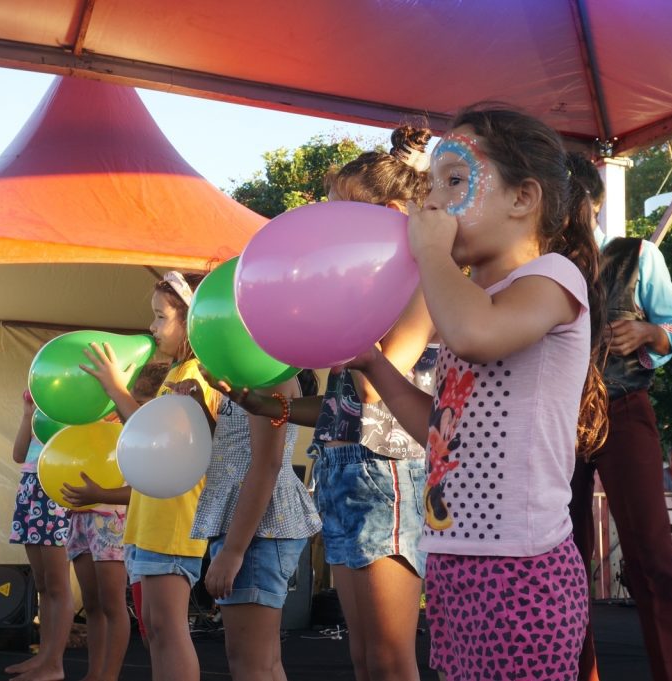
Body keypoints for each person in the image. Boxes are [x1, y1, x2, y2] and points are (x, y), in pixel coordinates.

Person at [335, 104, 609, 680]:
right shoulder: (470, 305)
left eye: (455, 181)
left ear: (522, 199)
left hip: (523, 569)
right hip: (456, 562)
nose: (431, 202)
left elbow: (475, 335)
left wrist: (432, 254)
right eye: (431, 185)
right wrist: (374, 364)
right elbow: (441, 429)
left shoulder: (553, 278)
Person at [227, 125, 436, 681]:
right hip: (341, 472)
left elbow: (377, 385)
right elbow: (345, 407)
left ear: (391, 213)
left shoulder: (422, 284)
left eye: (342, 207)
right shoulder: (362, 292)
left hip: (387, 474)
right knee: (362, 657)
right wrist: (268, 406)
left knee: (391, 659)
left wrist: (342, 338)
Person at [566, 151, 672, 681]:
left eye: (575, 208)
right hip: (556, 419)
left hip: (625, 410)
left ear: (593, 206)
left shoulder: (637, 255)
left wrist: (650, 334)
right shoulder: (535, 267)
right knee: (563, 560)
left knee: (652, 553)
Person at [81, 271, 221, 681]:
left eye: (161, 317)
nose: (152, 327)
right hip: (150, 520)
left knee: (167, 628)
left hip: (173, 520)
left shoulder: (196, 373)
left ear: (189, 323)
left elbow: (162, 437)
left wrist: (115, 389)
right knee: (154, 630)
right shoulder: (174, 375)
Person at [172, 368, 322, 680]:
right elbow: (231, 443)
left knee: (248, 664)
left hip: (258, 527)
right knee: (264, 662)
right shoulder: (247, 372)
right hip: (250, 525)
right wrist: (200, 405)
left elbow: (267, 463)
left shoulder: (267, 375)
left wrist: (233, 551)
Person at [58, 363, 168, 681]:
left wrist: (100, 492)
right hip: (83, 515)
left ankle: (109, 675)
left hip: (112, 518)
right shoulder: (104, 423)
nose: (128, 407)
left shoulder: (149, 434)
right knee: (91, 602)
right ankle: (94, 673)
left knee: (111, 603)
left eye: (139, 401)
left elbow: (146, 487)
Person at [5, 392, 73, 681]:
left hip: (56, 486)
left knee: (58, 585)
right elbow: (19, 454)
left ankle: (54, 664)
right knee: (43, 584)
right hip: (31, 485)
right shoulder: (40, 412)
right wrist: (27, 412)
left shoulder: (76, 410)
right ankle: (43, 657)